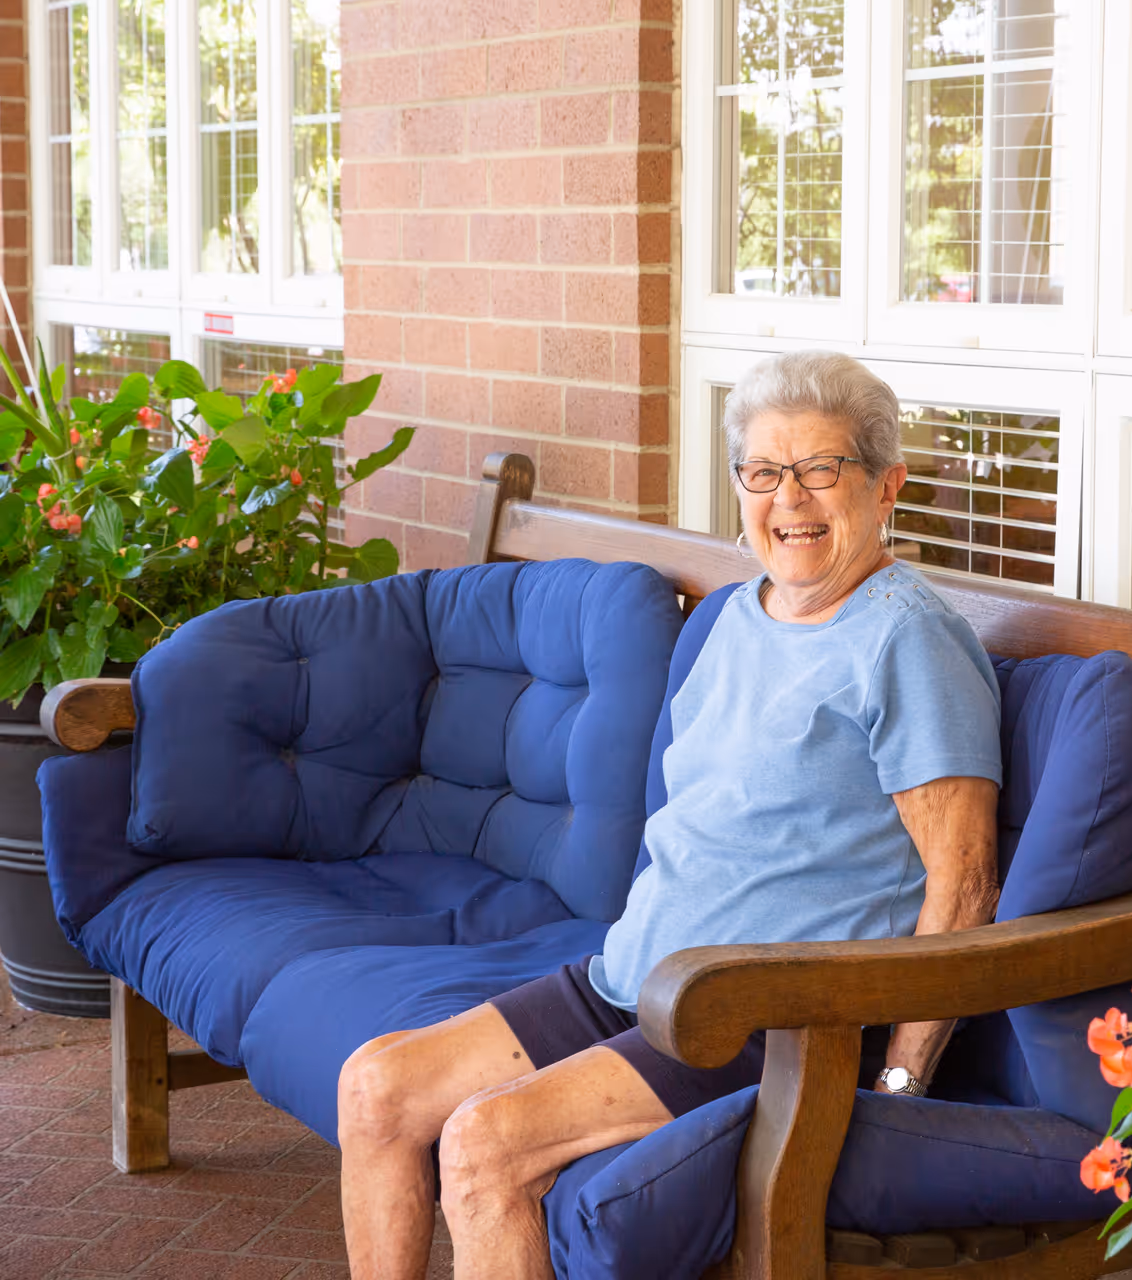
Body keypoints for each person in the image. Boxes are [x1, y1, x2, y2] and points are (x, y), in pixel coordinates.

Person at [335, 351, 1005, 1280]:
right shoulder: (739, 615)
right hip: (635, 976)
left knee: (485, 1146)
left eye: (823, 470)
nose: (791, 500)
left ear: (886, 485)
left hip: (760, 1016)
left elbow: (963, 883)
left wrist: (901, 1081)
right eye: (765, 473)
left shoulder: (908, 638)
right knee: (376, 1087)